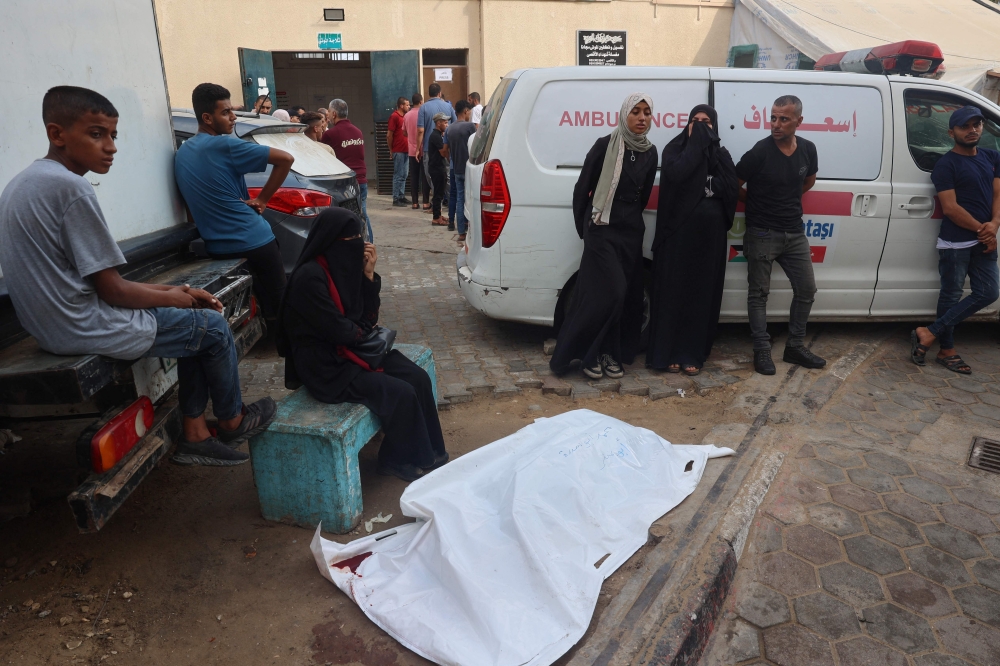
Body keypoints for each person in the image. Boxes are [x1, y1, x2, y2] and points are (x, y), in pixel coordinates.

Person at [0, 85, 276, 466]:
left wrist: (174, 289)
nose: (110, 146)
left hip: (50, 327)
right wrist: (174, 297)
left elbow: (94, 282)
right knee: (211, 329)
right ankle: (232, 420)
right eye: (96, 134)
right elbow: (113, 290)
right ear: (57, 134)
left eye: (113, 135)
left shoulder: (23, 182)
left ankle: (196, 431)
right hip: (83, 325)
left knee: (192, 324)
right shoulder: (71, 188)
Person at [277, 208, 448, 482]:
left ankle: (432, 451)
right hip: (327, 367)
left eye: (360, 236)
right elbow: (342, 330)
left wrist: (368, 277)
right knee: (400, 393)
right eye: (350, 238)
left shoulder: (342, 269)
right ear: (332, 241)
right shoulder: (310, 278)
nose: (358, 244)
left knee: (417, 377)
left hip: (353, 350)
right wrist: (363, 332)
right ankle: (394, 460)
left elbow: (366, 319)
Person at [549, 93, 657, 380]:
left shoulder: (650, 151)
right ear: (624, 114)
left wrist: (628, 220)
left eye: (646, 112)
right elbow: (581, 189)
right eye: (636, 111)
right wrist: (586, 231)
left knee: (622, 298)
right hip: (601, 230)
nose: (642, 118)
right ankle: (588, 353)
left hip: (630, 233)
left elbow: (643, 196)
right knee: (610, 292)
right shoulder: (604, 146)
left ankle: (609, 353)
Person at [174, 83, 294, 329]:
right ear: (207, 118)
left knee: (240, 316)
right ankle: (298, 357)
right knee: (283, 310)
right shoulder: (224, 145)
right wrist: (262, 200)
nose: (233, 117)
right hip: (256, 241)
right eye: (226, 112)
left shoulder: (183, 152)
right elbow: (286, 159)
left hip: (218, 248)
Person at [736, 95, 826, 376]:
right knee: (759, 294)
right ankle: (761, 350)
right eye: (773, 117)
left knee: (807, 290)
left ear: (799, 121)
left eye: (783, 119)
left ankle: (794, 347)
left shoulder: (808, 149)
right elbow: (732, 182)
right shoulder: (759, 152)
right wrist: (755, 203)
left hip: (794, 232)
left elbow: (809, 179)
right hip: (762, 231)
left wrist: (787, 197)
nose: (776, 124)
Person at [647, 105, 739, 376]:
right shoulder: (674, 150)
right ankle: (668, 353)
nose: (699, 127)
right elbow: (677, 177)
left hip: (708, 240)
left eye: (706, 123)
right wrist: (699, 159)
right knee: (673, 292)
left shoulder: (721, 155)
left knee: (700, 295)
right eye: (694, 121)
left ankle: (691, 354)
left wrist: (700, 186)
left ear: (715, 126)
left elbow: (731, 187)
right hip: (676, 236)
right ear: (686, 124)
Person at [911, 106, 1000, 374]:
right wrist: (983, 231)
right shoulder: (945, 165)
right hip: (955, 243)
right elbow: (950, 208)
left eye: (977, 125)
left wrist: (994, 225)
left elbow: (998, 195)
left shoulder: (992, 156)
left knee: (989, 292)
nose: (972, 130)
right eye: (965, 126)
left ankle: (929, 333)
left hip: (984, 239)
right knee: (951, 294)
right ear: (952, 132)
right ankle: (947, 350)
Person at [322, 98, 373, 241]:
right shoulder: (357, 131)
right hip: (361, 179)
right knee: (362, 214)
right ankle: (368, 243)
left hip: (345, 183)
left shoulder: (330, 134)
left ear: (333, 114)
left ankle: (357, 245)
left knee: (347, 217)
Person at [416, 84, 457, 213]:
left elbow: (421, 130)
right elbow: (455, 125)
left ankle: (437, 204)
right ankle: (450, 202)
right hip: (446, 147)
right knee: (447, 176)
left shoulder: (423, 108)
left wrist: (418, 148)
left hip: (430, 148)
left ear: (429, 94)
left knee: (431, 176)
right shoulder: (448, 106)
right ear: (440, 93)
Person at [445, 100, 477, 241]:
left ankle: (461, 232)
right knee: (470, 200)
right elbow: (476, 147)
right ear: (465, 111)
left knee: (459, 198)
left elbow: (445, 150)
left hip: (456, 168)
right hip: (468, 169)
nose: (470, 114)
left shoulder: (449, 129)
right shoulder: (470, 127)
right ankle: (470, 228)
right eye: (469, 111)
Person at [405, 93, 430, 211]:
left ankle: (414, 202)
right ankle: (425, 202)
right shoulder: (423, 113)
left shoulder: (407, 115)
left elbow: (404, 132)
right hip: (423, 149)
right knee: (425, 175)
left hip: (411, 150)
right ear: (421, 102)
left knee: (414, 176)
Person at [387, 96, 411, 207]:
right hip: (398, 150)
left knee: (404, 174)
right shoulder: (394, 117)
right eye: (407, 105)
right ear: (401, 106)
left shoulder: (405, 117)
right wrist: (391, 150)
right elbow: (389, 134)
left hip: (406, 150)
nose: (409, 106)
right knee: (398, 174)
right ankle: (396, 198)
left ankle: (401, 195)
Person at [427, 113, 450, 226]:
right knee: (438, 194)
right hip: (437, 168)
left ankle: (439, 215)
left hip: (438, 167)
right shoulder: (435, 136)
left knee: (440, 192)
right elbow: (443, 152)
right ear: (438, 123)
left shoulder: (438, 135)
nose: (447, 124)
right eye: (445, 122)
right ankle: (436, 218)